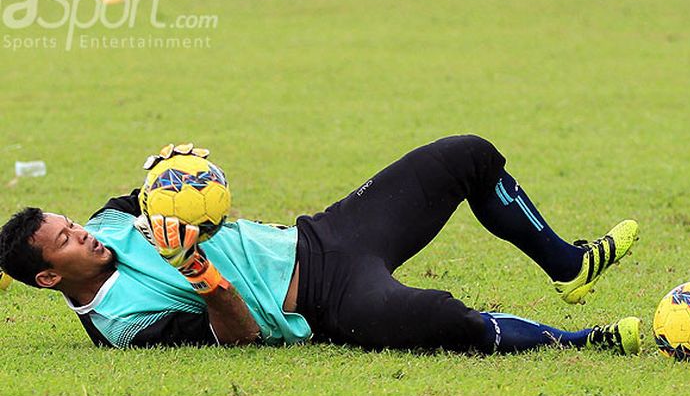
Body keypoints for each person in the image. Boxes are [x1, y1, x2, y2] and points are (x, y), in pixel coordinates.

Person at [0, 135, 642, 354]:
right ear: (52, 277)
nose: (82, 232)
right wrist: (200, 273)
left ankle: (570, 265)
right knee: (442, 318)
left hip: (325, 235)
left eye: (70, 222)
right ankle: (592, 341)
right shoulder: (124, 323)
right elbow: (240, 340)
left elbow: (150, 196)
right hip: (325, 300)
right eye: (66, 240)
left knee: (464, 155)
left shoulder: (106, 226)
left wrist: (172, 170)